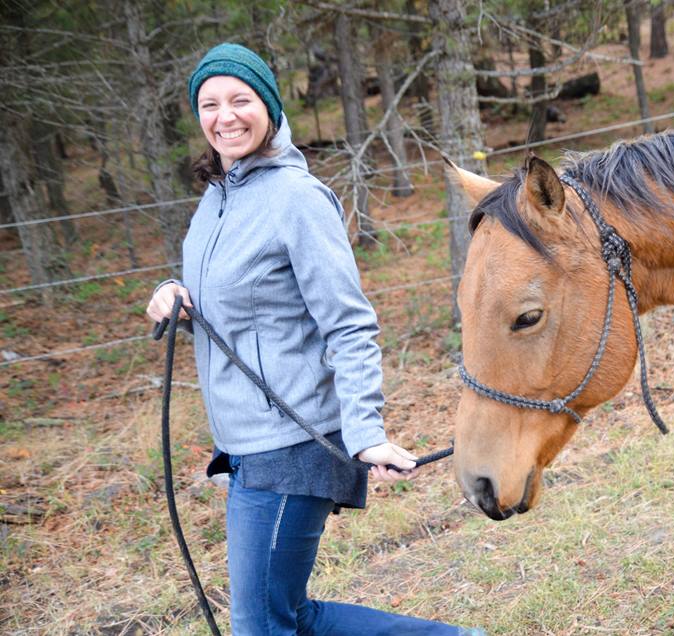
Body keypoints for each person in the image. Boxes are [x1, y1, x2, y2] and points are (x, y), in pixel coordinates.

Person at [146, 43, 480, 636]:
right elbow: (236, 297)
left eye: (241, 100)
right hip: (245, 444)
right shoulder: (218, 197)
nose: (225, 115)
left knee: (263, 626)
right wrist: (176, 292)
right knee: (289, 617)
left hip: (291, 443)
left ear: (270, 106)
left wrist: (366, 432)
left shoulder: (297, 200)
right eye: (210, 103)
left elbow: (348, 324)